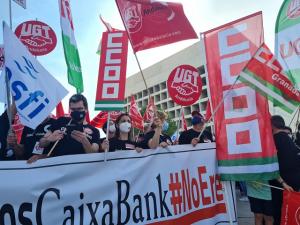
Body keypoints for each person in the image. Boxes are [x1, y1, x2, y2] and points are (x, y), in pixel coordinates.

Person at [29, 94, 100, 162]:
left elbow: (94, 154)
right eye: (73, 109)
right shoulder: (61, 121)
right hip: (58, 167)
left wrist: (85, 141)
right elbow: (41, 143)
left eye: (79, 109)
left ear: (86, 109)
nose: (76, 112)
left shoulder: (94, 131)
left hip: (80, 169)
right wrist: (49, 139)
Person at [270, 115, 300, 225]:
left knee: (278, 213)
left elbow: (271, 164)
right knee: (290, 212)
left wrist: (283, 183)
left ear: (272, 125)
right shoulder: (290, 139)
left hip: (281, 184)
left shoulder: (274, 140)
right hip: (294, 183)